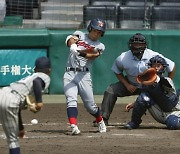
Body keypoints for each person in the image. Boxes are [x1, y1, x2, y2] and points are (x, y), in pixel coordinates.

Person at [99, 33, 175, 126]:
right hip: (131, 84)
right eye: (135, 44)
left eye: (140, 44)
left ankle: (137, 121)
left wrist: (164, 84)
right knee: (110, 90)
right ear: (130, 45)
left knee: (148, 99)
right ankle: (103, 119)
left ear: (144, 45)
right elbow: (117, 70)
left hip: (149, 86)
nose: (137, 46)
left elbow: (172, 66)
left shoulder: (153, 55)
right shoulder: (123, 57)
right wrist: (127, 85)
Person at [63, 18, 107, 135]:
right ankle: (73, 126)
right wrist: (73, 46)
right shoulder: (80, 34)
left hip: (84, 75)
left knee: (90, 106)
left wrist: (79, 52)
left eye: (99, 32)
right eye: (95, 30)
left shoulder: (100, 45)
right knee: (71, 100)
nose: (97, 33)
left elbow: (92, 54)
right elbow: (70, 39)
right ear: (90, 28)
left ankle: (100, 119)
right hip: (69, 74)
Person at [0, 56, 51, 154]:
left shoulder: (31, 77)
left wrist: (20, 128)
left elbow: (16, 109)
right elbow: (37, 82)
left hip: (3, 93)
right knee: (13, 141)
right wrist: (39, 102)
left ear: (35, 68)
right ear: (49, 70)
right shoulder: (44, 76)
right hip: (10, 99)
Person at [124, 55, 180, 130]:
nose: (156, 68)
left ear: (163, 68)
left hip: (173, 111)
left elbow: (169, 103)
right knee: (144, 98)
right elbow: (144, 96)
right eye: (153, 66)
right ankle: (134, 122)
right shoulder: (147, 83)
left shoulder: (166, 80)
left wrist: (155, 79)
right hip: (159, 112)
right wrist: (134, 104)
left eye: (158, 66)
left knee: (173, 123)